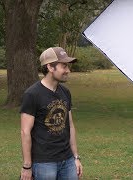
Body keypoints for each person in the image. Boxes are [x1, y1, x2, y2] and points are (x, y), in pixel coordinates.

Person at [20, 47, 83, 180]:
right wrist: (27, 166)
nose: (68, 71)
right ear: (50, 67)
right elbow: (25, 132)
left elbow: (70, 126)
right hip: (44, 162)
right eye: (64, 66)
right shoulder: (32, 94)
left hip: (67, 159)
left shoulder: (65, 92)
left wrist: (75, 157)